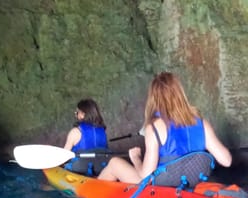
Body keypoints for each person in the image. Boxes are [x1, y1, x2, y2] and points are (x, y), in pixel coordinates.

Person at [97, 72, 232, 185]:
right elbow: (227, 161)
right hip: (193, 182)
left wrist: (136, 158)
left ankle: (86, 197)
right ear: (180, 94)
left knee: (114, 163)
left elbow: (146, 176)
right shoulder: (201, 123)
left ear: (154, 98)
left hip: (160, 188)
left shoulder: (154, 127)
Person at [62, 98, 109, 176]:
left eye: (77, 112)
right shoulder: (102, 131)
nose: (75, 114)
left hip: (80, 170)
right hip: (100, 169)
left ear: (83, 114)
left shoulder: (75, 132)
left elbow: (63, 157)